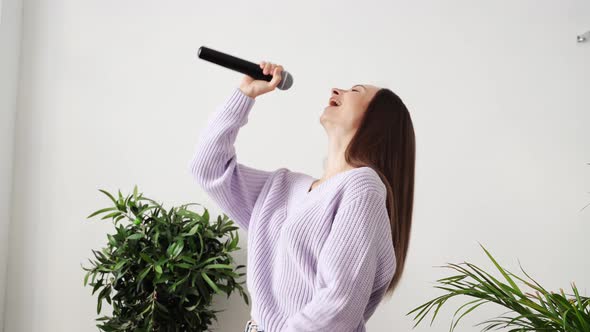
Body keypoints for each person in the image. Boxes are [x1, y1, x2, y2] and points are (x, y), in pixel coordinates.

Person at [188, 61, 415, 332]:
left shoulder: (362, 187)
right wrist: (245, 94)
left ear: (378, 122)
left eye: (355, 90)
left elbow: (338, 303)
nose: (337, 90)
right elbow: (207, 167)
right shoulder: (283, 186)